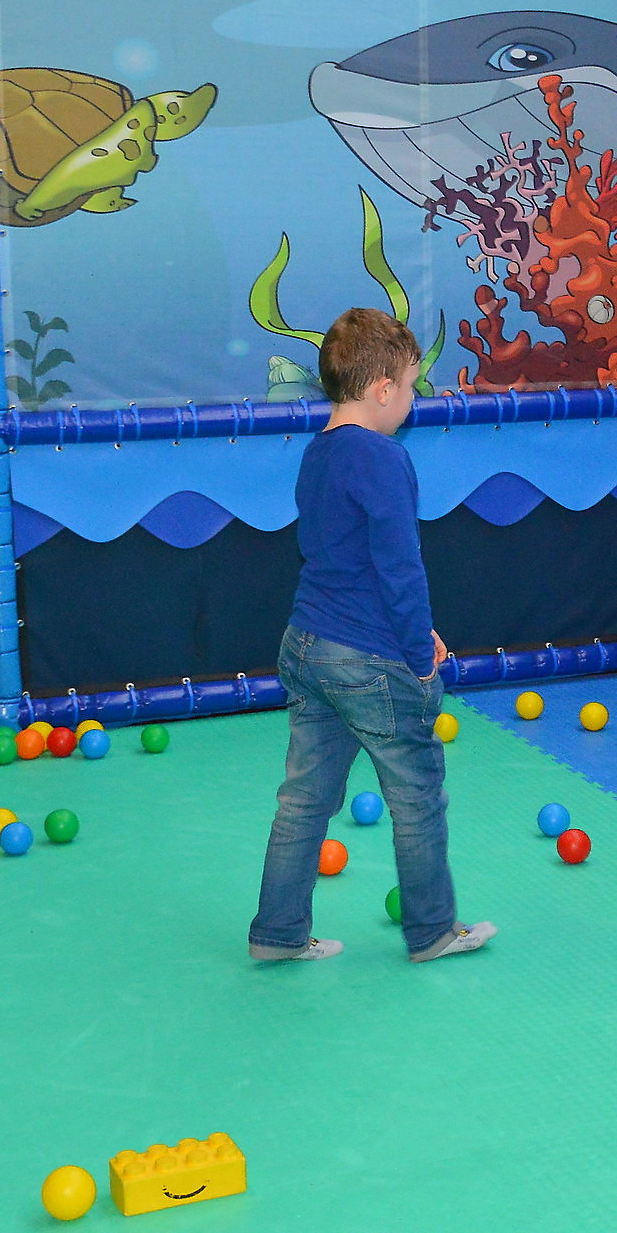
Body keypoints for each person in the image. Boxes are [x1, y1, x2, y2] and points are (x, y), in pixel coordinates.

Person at [248, 307, 493, 967]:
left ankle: (276, 934)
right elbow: (399, 565)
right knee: (417, 798)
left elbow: (341, 558)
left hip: (307, 644)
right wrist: (419, 656)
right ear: (383, 388)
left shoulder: (317, 453)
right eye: (410, 386)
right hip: (369, 658)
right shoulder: (383, 458)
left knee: (303, 802)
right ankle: (433, 931)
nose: (411, 399)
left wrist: (416, 629)